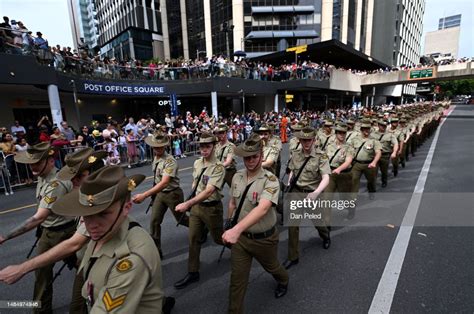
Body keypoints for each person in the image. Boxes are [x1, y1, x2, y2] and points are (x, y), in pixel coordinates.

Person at [0, 144, 103, 313]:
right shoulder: (44, 177)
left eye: (37, 163)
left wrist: (6, 238)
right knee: (45, 275)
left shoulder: (59, 185)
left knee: (85, 274)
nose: (73, 182)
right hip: (53, 232)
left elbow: (40, 217)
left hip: (65, 233)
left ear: (50, 161)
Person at [50, 166, 165, 313]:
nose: (91, 225)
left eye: (103, 214)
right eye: (86, 214)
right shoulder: (105, 231)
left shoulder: (131, 258)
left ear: (126, 208)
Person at [223, 134, 289, 313]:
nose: (250, 160)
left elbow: (263, 208)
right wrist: (229, 222)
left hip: (263, 239)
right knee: (237, 281)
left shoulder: (271, 180)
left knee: (272, 267)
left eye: (254, 156)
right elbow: (232, 202)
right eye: (247, 157)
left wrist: (235, 230)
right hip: (242, 240)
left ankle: (284, 280)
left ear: (261, 155)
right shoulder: (237, 177)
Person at [174, 132, 225, 289]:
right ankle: (193, 272)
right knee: (193, 239)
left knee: (218, 239)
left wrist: (187, 203)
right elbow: (195, 182)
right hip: (197, 208)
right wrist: (193, 200)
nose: (204, 149)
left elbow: (209, 191)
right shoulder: (197, 163)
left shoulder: (218, 167)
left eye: (207, 146)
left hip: (211, 208)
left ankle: (240, 248)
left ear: (214, 147)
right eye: (201, 146)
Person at [133, 132, 188, 258]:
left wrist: (145, 195)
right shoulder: (156, 157)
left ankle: (200, 229)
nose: (157, 149)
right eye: (155, 147)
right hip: (160, 194)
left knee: (182, 219)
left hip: (172, 194)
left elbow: (164, 183)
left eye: (160, 147)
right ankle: (157, 251)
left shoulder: (170, 161)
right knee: (154, 221)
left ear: (165, 146)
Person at [283, 127, 331, 270]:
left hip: (312, 194)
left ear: (314, 140)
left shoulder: (321, 156)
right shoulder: (296, 154)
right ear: (300, 140)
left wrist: (316, 193)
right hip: (297, 192)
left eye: (309, 140)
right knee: (292, 225)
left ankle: (325, 236)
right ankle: (293, 256)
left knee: (317, 222)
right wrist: (290, 182)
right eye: (303, 140)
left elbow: (326, 177)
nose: (306, 143)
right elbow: (292, 170)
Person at [324, 124, 355, 219]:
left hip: (344, 175)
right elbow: (324, 159)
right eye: (339, 133)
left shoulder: (349, 147)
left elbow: (348, 161)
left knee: (345, 198)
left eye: (344, 133)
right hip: (331, 175)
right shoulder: (329, 146)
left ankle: (351, 209)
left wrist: (339, 169)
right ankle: (327, 223)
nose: (342, 135)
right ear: (336, 134)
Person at [350, 120, 382, 204]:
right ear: (361, 129)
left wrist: (374, 162)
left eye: (368, 129)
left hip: (369, 164)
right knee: (353, 181)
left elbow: (378, 152)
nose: (366, 131)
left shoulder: (374, 140)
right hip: (357, 164)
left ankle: (371, 192)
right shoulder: (355, 140)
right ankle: (353, 200)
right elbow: (349, 151)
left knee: (371, 181)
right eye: (364, 129)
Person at [371, 120, 398, 188]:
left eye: (384, 126)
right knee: (373, 171)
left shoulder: (390, 134)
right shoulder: (372, 134)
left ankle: (384, 181)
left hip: (385, 155)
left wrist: (394, 152)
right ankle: (372, 184)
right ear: (378, 125)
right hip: (374, 155)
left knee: (384, 171)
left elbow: (395, 143)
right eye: (381, 125)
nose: (383, 127)